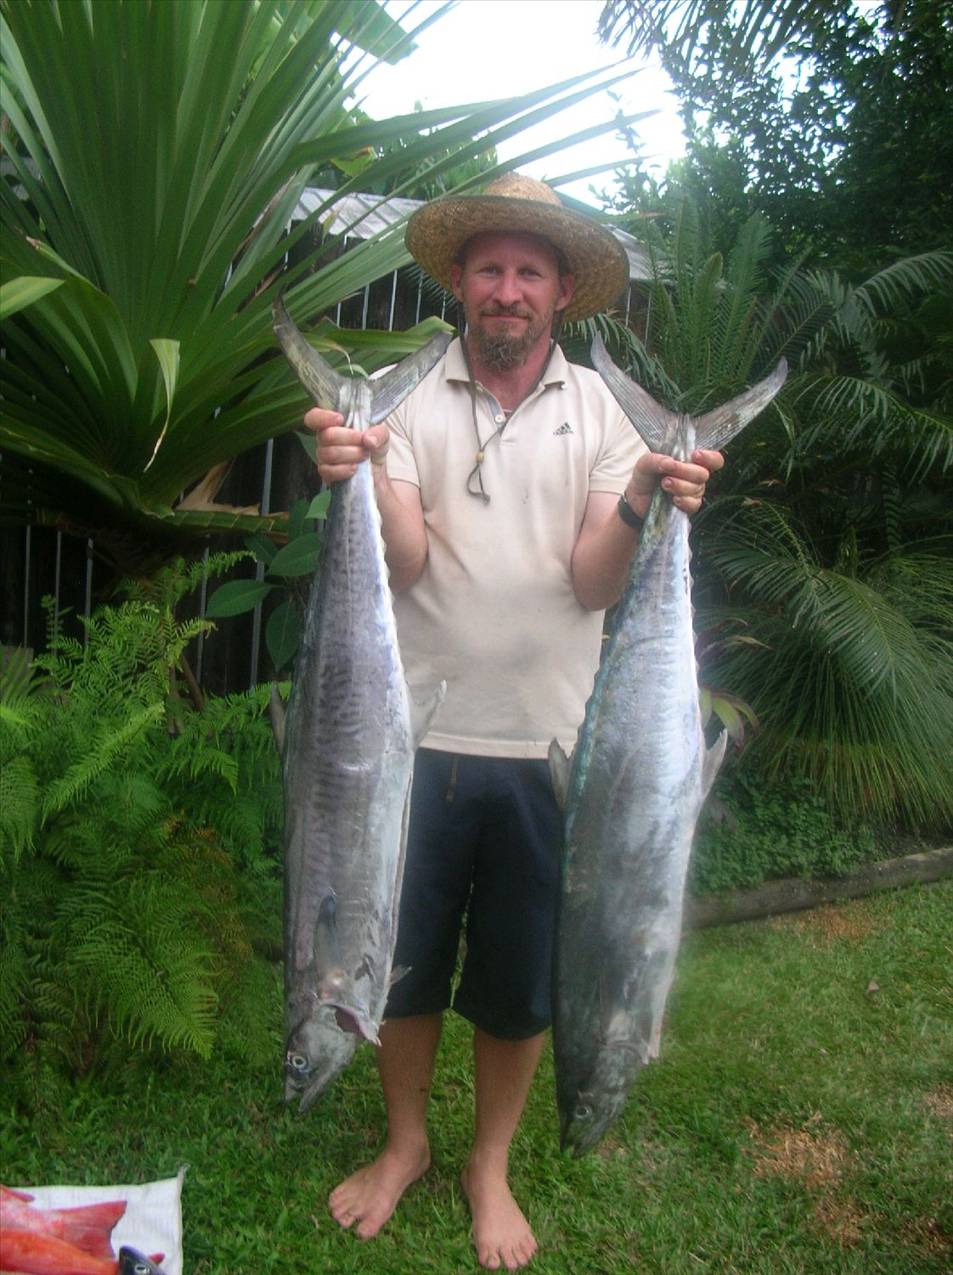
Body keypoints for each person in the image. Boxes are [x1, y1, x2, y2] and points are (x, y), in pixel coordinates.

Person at [304, 173, 724, 1271]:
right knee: (395, 962)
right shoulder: (403, 405)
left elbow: (593, 586)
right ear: (457, 281)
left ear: (559, 292)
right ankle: (404, 1145)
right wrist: (357, 469)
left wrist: (642, 497)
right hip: (404, 750)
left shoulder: (600, 412)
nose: (505, 290)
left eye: (526, 272)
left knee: (517, 978)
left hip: (553, 755)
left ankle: (487, 1164)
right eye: (487, 268)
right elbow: (401, 560)